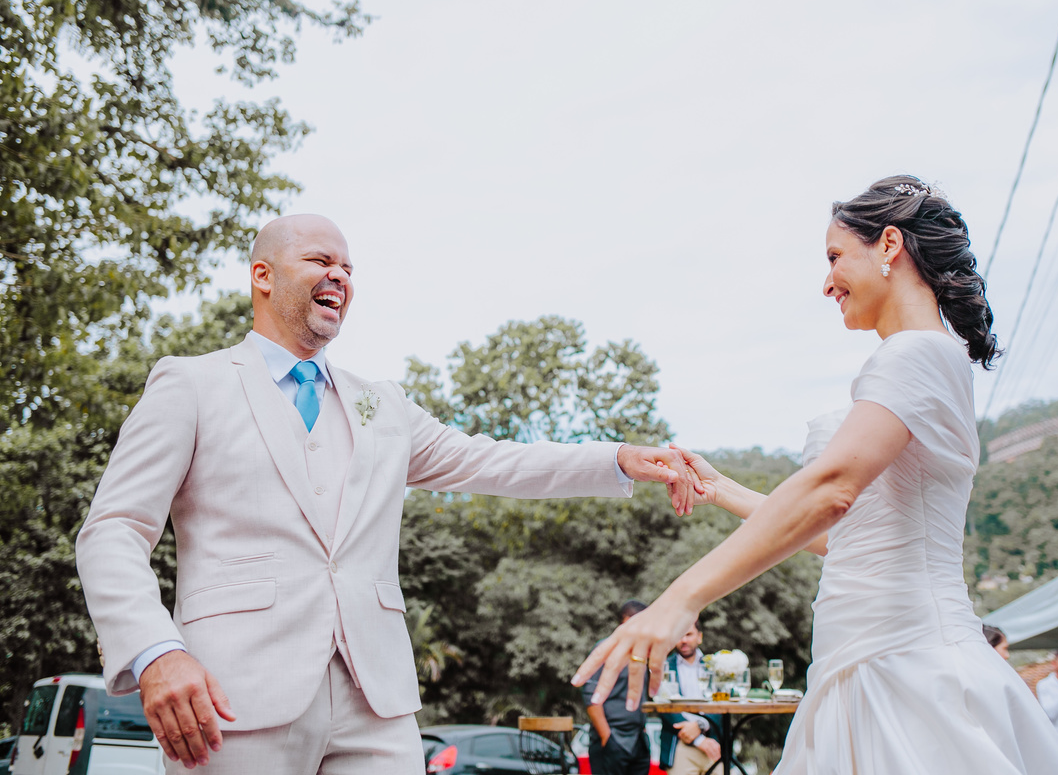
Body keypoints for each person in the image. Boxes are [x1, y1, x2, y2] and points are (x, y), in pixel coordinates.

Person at [75, 214, 695, 774]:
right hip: (233, 697)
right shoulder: (191, 385)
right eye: (321, 261)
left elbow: (492, 459)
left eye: (348, 267)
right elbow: (113, 531)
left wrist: (615, 459)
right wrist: (158, 653)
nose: (339, 275)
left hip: (379, 705)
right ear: (262, 275)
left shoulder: (383, 406)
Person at [573, 176, 1058, 773]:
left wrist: (679, 600)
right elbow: (841, 538)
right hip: (853, 661)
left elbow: (832, 491)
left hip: (910, 665)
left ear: (889, 245)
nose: (826, 282)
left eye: (835, 257)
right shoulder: (923, 360)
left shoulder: (918, 354)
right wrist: (724, 490)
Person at [582, 601, 653, 775]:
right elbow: (590, 696)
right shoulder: (605, 648)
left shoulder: (643, 652)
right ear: (627, 621)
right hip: (611, 739)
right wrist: (607, 737)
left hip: (638, 741)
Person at [659, 620, 722, 775]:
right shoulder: (663, 666)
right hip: (679, 743)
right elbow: (663, 705)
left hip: (713, 743)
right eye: (679, 636)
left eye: (688, 634)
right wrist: (697, 740)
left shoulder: (715, 666)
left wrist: (700, 725)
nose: (684, 640)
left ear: (699, 637)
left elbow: (722, 703)